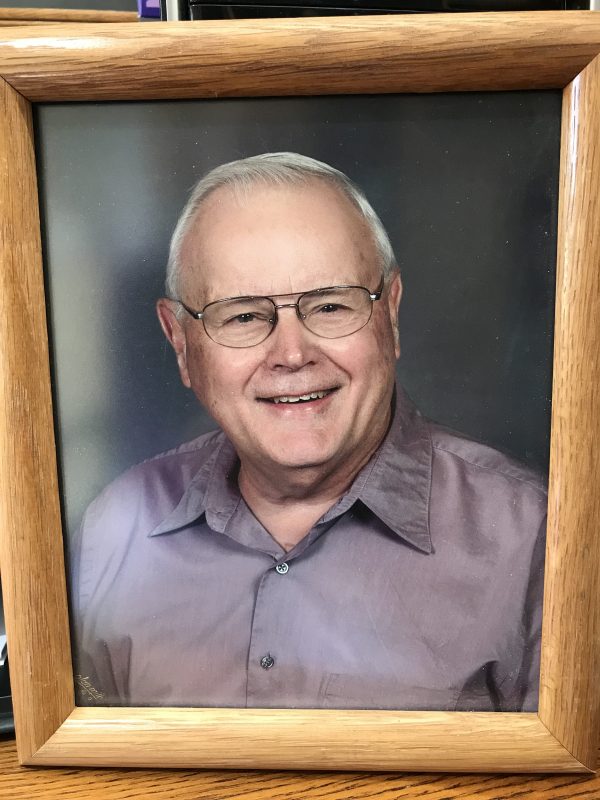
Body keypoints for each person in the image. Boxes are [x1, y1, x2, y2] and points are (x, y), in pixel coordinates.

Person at [72, 152, 547, 712]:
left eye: (329, 306)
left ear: (391, 314)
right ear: (180, 342)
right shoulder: (114, 533)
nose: (292, 354)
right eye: (243, 315)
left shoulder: (533, 539)